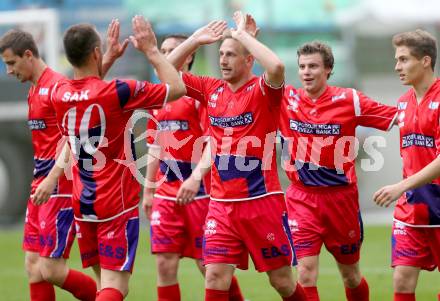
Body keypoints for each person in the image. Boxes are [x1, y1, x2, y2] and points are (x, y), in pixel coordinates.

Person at [168, 11, 307, 301]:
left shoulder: (262, 90)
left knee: (282, 282)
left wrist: (242, 35)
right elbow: (167, 68)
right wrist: (195, 40)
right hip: (220, 206)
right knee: (215, 275)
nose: (223, 60)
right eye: (220, 54)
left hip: (261, 205)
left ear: (248, 60)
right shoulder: (211, 89)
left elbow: (278, 66)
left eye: (231, 54)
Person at [48, 16, 186, 301]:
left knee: (103, 286)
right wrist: (151, 50)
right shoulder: (119, 91)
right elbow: (177, 87)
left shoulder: (58, 93)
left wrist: (107, 55)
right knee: (115, 287)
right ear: (95, 52)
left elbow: (86, 86)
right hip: (114, 203)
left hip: (81, 201)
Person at [279, 41, 398, 301]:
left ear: (329, 69)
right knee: (305, 273)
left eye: (313, 66)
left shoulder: (350, 100)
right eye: (302, 67)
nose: (306, 72)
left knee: (351, 275)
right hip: (301, 199)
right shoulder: (286, 99)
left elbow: (396, 116)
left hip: (341, 201)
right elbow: (269, 73)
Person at [142, 34, 244, 301]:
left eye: (172, 50)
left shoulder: (198, 95)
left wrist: (196, 177)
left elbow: (214, 142)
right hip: (166, 189)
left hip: (198, 192)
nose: (165, 55)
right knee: (164, 264)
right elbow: (154, 145)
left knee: (208, 266)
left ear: (187, 56)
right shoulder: (157, 96)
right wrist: (148, 190)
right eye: (162, 50)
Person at [0, 29, 99, 301]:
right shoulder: (34, 90)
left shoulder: (58, 87)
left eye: (11, 63)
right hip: (41, 186)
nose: (8, 71)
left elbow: (74, 136)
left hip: (61, 187)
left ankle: (106, 295)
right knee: (33, 267)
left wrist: (52, 178)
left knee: (52, 269)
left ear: (28, 55)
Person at [373, 29, 440, 301]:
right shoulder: (403, 103)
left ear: (425, 61)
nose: (396, 67)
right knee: (402, 280)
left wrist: (400, 186)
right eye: (397, 59)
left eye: (403, 59)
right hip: (412, 207)